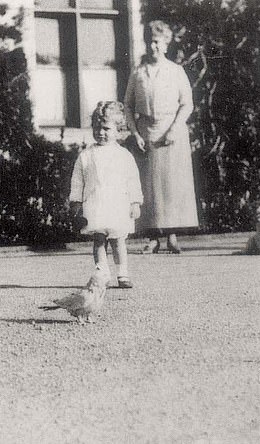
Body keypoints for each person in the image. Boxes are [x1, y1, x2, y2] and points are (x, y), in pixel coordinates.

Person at [124, 20, 199, 254]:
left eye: (157, 42)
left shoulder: (176, 71)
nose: (152, 47)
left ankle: (172, 236)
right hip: (147, 132)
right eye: (149, 42)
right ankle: (152, 237)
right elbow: (127, 105)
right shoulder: (138, 73)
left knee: (171, 185)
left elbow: (187, 104)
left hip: (171, 132)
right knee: (149, 186)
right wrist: (134, 132)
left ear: (166, 44)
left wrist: (174, 129)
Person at [69, 101, 143, 289]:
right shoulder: (86, 156)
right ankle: (102, 273)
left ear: (118, 130)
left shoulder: (123, 155)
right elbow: (78, 180)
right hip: (96, 204)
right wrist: (76, 201)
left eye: (106, 128)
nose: (100, 133)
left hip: (117, 205)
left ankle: (123, 273)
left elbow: (132, 179)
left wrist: (135, 202)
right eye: (96, 128)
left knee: (118, 241)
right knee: (99, 240)